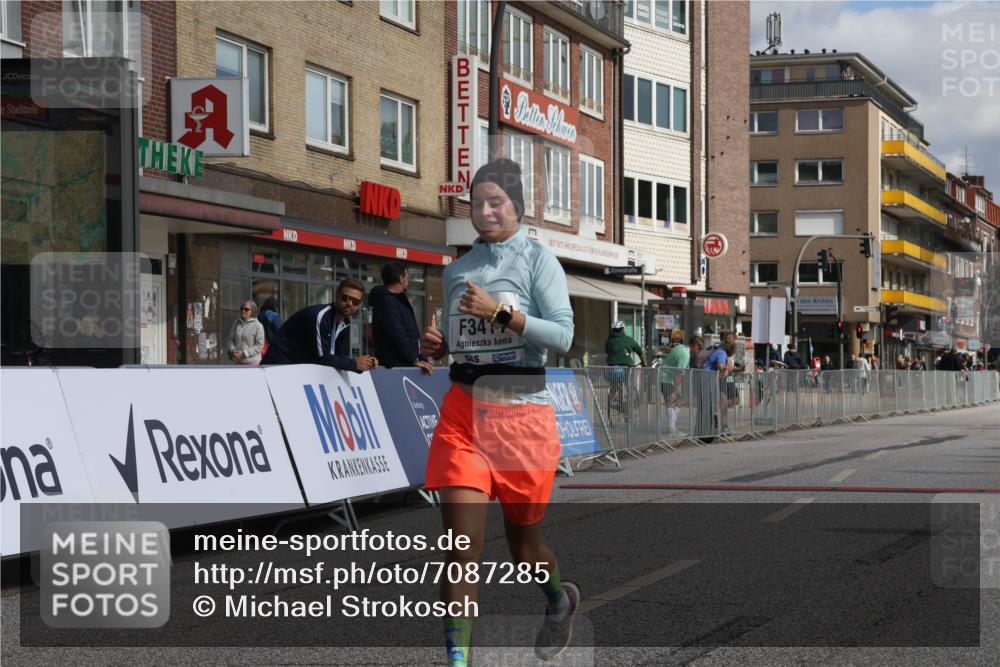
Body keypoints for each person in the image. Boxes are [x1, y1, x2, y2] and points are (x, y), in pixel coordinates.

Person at [419, 159, 577, 666]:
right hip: (463, 414)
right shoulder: (457, 269)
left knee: (524, 551)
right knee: (461, 548)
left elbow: (564, 337)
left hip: (521, 417)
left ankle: (558, 598)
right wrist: (441, 344)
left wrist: (501, 313)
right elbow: (462, 342)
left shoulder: (538, 260)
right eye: (477, 203)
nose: (484, 212)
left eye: (496, 203)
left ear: (516, 207)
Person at [261, 278, 378, 372]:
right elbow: (323, 358)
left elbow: (338, 358)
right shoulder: (319, 316)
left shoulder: (345, 324)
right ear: (336, 295)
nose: (349, 303)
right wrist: (354, 363)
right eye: (345, 298)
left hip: (297, 371)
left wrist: (365, 364)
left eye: (355, 301)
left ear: (359, 304)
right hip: (276, 368)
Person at [368, 260, 434, 371]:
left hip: (405, 363)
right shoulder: (386, 301)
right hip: (396, 367)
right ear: (401, 278)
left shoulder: (398, 300)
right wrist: (413, 359)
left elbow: (409, 333)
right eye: (407, 277)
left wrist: (420, 357)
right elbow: (396, 333)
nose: (408, 280)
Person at [605, 321, 645, 415]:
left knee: (615, 384)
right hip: (626, 369)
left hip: (611, 370)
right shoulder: (627, 339)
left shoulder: (609, 341)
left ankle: (611, 396)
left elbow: (607, 350)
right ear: (622, 329)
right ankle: (630, 406)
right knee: (629, 386)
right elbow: (639, 350)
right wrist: (643, 362)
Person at [659, 330, 689, 437]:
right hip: (667, 379)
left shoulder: (677, 350)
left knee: (678, 401)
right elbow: (679, 373)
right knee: (672, 400)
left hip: (666, 378)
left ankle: (672, 428)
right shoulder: (684, 353)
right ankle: (671, 430)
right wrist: (676, 391)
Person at [228, 300, 265, 365]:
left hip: (253, 362)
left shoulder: (258, 326)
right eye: (241, 308)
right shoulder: (236, 323)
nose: (243, 311)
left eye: (246, 309)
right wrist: (233, 350)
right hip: (238, 362)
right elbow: (230, 340)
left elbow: (259, 346)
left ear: (252, 311)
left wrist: (244, 354)